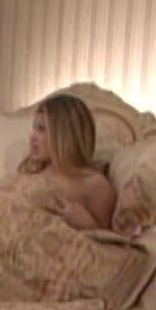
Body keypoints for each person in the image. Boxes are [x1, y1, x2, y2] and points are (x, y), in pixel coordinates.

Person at [16, 93, 116, 230]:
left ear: (63, 136)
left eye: (41, 129)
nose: (32, 136)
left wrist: (87, 224)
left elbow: (106, 238)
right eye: (34, 128)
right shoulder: (33, 169)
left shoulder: (95, 184)